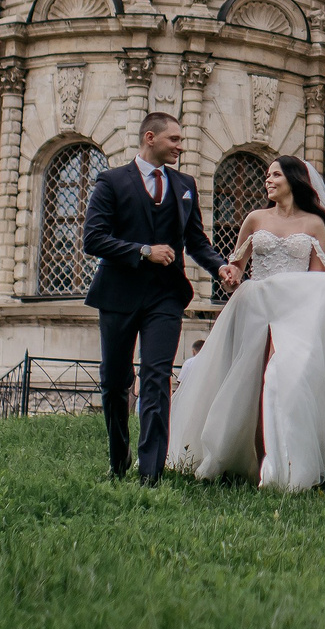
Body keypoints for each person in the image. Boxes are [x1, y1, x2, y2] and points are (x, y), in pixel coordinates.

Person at [168, 155, 325, 490]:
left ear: (294, 180)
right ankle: (257, 465)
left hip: (296, 312)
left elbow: (318, 274)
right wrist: (230, 277)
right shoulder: (255, 219)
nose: (268, 180)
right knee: (251, 385)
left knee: (284, 379)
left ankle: (286, 464)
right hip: (258, 307)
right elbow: (237, 267)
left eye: (275, 174)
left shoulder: (314, 223)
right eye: (267, 175)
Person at [81, 111, 227, 485]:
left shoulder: (184, 185)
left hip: (165, 297)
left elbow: (195, 241)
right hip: (118, 295)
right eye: (174, 140)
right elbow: (93, 239)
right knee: (115, 383)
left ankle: (151, 473)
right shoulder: (111, 182)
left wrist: (221, 268)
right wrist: (144, 250)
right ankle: (118, 458)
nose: (180, 146)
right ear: (150, 137)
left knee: (156, 377)